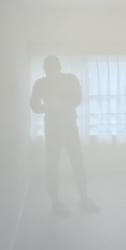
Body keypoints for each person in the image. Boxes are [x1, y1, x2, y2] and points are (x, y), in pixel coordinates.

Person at [30, 56, 93, 211]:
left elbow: (78, 99)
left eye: (54, 67)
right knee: (52, 165)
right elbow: (34, 105)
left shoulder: (70, 79)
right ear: (45, 69)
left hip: (69, 127)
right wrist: (49, 107)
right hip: (53, 129)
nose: (52, 71)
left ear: (59, 67)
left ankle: (83, 198)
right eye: (49, 68)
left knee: (77, 162)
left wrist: (61, 104)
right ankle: (56, 202)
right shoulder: (40, 83)